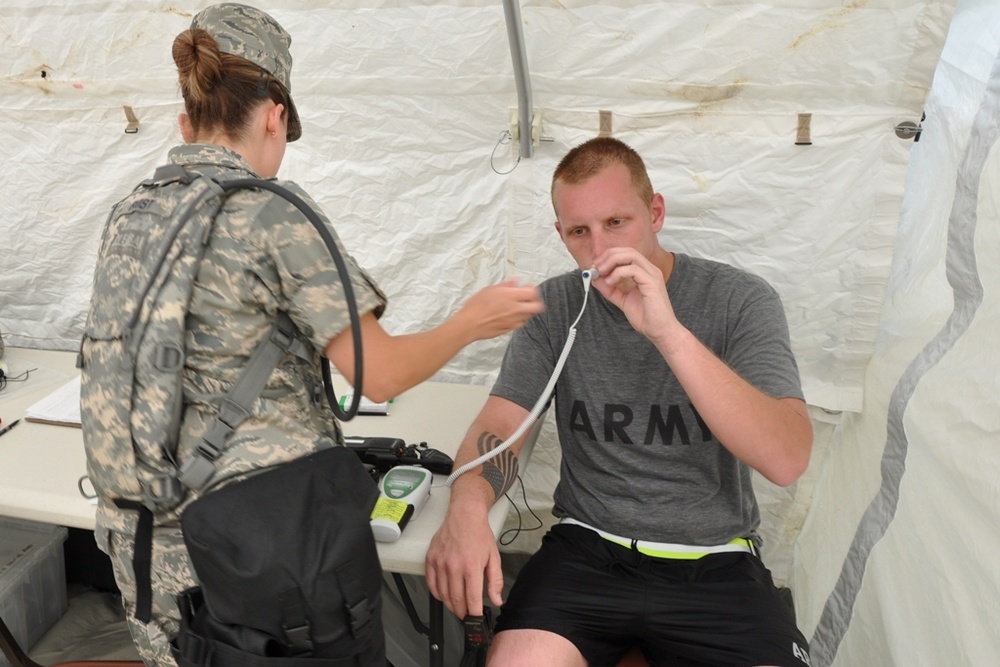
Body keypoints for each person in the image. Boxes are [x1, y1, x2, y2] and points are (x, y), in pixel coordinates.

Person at [83, 4, 542, 666]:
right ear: (274, 113)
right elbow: (377, 374)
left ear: (188, 120)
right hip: (253, 552)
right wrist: (472, 320)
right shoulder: (272, 214)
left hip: (142, 540)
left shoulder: (132, 212)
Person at [425, 136, 814, 667]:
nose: (601, 249)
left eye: (616, 223)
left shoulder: (739, 300)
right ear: (560, 235)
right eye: (580, 231)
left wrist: (667, 332)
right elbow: (501, 425)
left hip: (714, 562)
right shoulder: (555, 308)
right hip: (588, 551)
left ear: (654, 213)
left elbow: (786, 459)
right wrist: (466, 511)